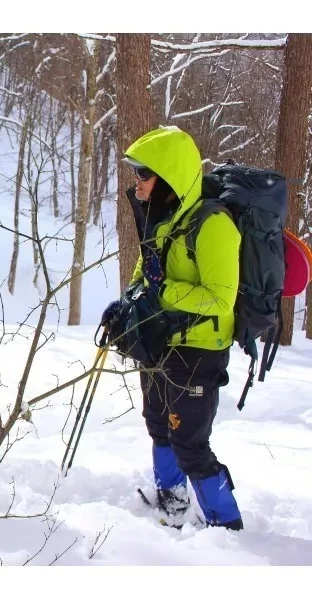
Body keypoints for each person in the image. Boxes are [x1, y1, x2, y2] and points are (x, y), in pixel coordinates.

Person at [102, 126, 244, 530]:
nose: (136, 182)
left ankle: (227, 527)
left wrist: (165, 289)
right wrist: (127, 303)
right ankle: (172, 500)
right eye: (134, 173)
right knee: (158, 422)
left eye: (143, 174)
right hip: (162, 340)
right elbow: (145, 273)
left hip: (199, 349)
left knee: (191, 444)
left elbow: (220, 299)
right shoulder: (163, 221)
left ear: (167, 178)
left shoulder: (213, 225)